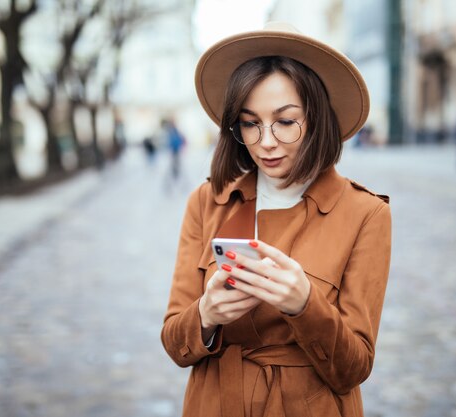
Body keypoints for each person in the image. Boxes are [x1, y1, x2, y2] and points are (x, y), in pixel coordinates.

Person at [161, 22, 391, 417]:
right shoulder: (208, 201)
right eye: (250, 123)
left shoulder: (366, 213)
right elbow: (174, 342)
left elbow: (353, 367)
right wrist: (206, 314)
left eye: (285, 121)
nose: (266, 141)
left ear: (318, 119)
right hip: (213, 403)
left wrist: (305, 304)